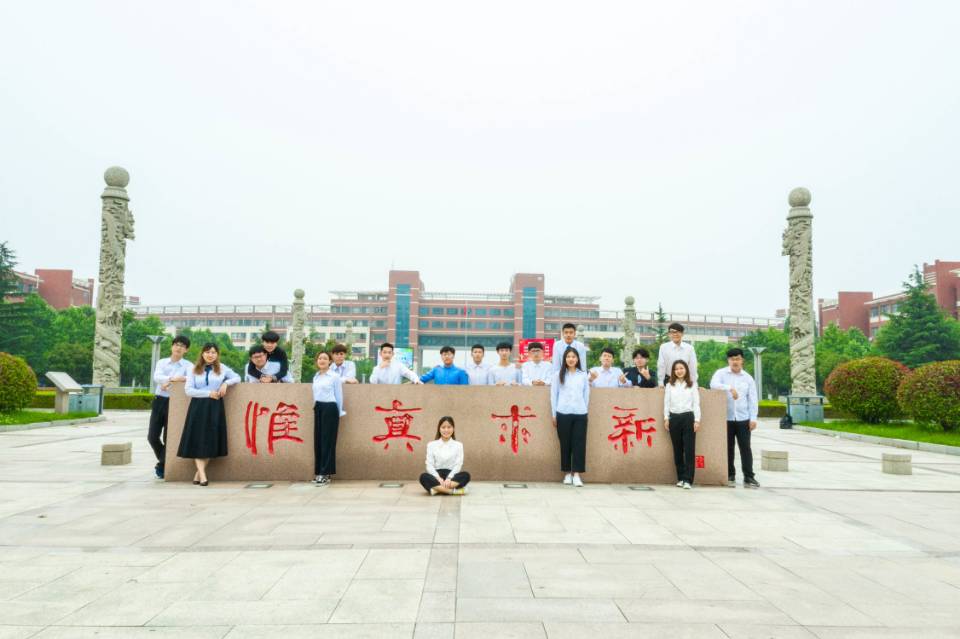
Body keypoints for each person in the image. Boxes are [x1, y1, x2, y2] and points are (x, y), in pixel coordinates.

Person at [177, 343, 241, 486]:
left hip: (215, 407)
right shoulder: (193, 369)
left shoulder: (222, 368)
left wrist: (225, 383)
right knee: (198, 439)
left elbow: (237, 377)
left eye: (213, 352)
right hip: (198, 407)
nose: (210, 355)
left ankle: (198, 474)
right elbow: (188, 390)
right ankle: (203, 475)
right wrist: (208, 393)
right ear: (202, 353)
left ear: (217, 354)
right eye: (207, 352)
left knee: (210, 440)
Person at [710, 347, 760, 488]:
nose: (735, 362)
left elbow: (753, 399)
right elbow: (713, 384)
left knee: (745, 448)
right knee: (728, 448)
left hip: (743, 418)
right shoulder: (721, 373)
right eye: (732, 359)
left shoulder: (748, 378)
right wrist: (729, 388)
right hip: (726, 418)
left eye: (737, 359)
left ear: (742, 360)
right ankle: (730, 474)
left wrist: (753, 418)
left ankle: (749, 476)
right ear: (728, 360)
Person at [148, 335, 192, 479]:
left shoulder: (188, 366)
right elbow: (157, 377)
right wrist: (173, 379)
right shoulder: (162, 362)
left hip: (176, 402)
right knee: (152, 436)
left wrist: (170, 381)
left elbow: (190, 379)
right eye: (176, 344)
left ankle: (161, 466)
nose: (179, 348)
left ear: (186, 350)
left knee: (169, 437)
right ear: (172, 346)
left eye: (182, 346)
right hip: (159, 400)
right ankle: (164, 462)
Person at [550, 346, 590, 487]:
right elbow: (553, 395)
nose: (571, 359)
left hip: (580, 413)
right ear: (564, 359)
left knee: (579, 444)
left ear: (577, 359)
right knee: (565, 444)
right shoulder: (558, 375)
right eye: (568, 357)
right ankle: (567, 473)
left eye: (573, 357)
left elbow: (586, 395)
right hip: (563, 413)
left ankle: (577, 475)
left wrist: (585, 410)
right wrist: (554, 414)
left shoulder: (583, 375)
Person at [664, 359, 701, 490]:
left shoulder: (692, 384)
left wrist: (697, 420)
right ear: (673, 371)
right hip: (674, 418)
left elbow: (696, 403)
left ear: (686, 370)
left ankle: (688, 480)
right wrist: (666, 418)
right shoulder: (670, 385)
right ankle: (680, 478)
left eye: (681, 368)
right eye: (676, 369)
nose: (679, 371)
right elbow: (666, 403)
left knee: (689, 449)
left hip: (688, 417)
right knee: (677, 449)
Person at [312, 351, 346, 486]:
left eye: (325, 358)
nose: (322, 360)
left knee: (327, 441)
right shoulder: (316, 376)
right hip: (318, 408)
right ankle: (319, 472)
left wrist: (339, 412)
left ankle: (325, 473)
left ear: (330, 361)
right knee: (318, 441)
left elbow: (339, 395)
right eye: (320, 358)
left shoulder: (334, 377)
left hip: (330, 408)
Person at [419, 416, 470, 495]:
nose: (446, 430)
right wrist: (438, 478)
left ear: (453, 429)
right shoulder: (431, 445)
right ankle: (452, 491)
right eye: (443, 427)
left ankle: (436, 489)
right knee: (423, 477)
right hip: (436, 475)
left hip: (452, 475)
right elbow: (429, 464)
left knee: (466, 475)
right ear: (439, 429)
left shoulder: (458, 445)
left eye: (449, 427)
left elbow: (458, 464)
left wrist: (449, 478)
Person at [657, 322, 698, 387]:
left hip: (684, 381)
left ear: (682, 334)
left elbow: (693, 367)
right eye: (672, 332)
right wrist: (660, 381)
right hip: (669, 380)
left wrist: (694, 383)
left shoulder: (689, 348)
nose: (675, 334)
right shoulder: (664, 347)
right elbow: (661, 365)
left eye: (678, 332)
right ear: (669, 334)